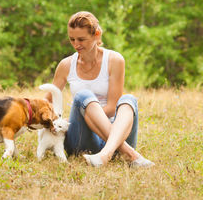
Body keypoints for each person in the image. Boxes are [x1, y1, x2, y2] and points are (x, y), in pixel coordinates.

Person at [45, 11, 154, 167]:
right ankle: (130, 154)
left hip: (115, 136)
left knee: (129, 100)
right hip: (82, 140)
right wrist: (69, 120)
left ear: (96, 34)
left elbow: (111, 108)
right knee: (83, 96)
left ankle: (105, 155)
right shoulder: (66, 65)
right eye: (72, 39)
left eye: (81, 39)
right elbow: (46, 102)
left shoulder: (115, 60)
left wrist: (87, 112)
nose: (76, 45)